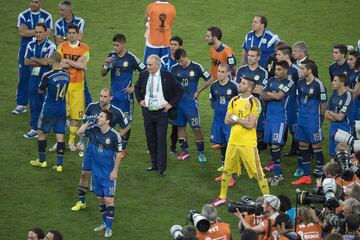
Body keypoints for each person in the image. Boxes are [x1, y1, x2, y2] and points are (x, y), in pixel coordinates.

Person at [211, 77, 269, 206]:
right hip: (233, 141)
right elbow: (226, 120)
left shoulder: (255, 103)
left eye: (242, 83)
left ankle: (267, 198)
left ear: (249, 88)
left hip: (248, 143)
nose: (239, 84)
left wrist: (235, 118)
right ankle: (222, 196)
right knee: (227, 169)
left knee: (258, 172)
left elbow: (250, 124)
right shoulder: (234, 100)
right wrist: (242, 119)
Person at [71, 88, 129, 211]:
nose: (102, 99)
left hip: (106, 151)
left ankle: (107, 202)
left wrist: (116, 137)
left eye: (105, 97)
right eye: (101, 96)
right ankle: (81, 201)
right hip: (91, 146)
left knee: (106, 176)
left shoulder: (116, 112)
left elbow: (127, 125)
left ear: (111, 98)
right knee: (84, 173)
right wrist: (81, 142)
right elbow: (84, 124)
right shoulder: (92, 107)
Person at [134, 54, 183, 176]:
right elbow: (136, 87)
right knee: (150, 139)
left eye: (150, 65)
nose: (147, 67)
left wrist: (171, 104)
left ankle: (162, 167)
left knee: (161, 140)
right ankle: (154, 164)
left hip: (162, 113)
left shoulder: (167, 76)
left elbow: (179, 90)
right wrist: (140, 100)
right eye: (147, 64)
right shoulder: (144, 74)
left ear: (158, 65)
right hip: (148, 112)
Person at [77, 109, 122, 238]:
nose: (98, 117)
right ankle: (104, 223)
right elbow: (79, 132)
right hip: (96, 173)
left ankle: (109, 228)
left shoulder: (114, 135)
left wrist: (115, 171)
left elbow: (119, 154)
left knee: (109, 200)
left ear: (107, 120)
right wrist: (88, 122)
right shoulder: (94, 130)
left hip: (108, 174)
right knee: (100, 199)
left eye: (101, 116)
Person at [100, 33, 145, 157]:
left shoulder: (131, 58)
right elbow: (103, 73)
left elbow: (145, 71)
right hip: (112, 97)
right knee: (109, 120)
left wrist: (134, 87)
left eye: (117, 45)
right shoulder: (111, 56)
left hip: (126, 98)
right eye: (114, 45)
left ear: (123, 44)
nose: (115, 47)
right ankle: (108, 143)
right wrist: (105, 64)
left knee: (126, 122)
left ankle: (123, 148)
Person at [29, 52, 69, 172]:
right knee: (60, 136)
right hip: (62, 109)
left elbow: (40, 90)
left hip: (49, 108)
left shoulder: (47, 74)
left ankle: (42, 161)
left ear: (52, 60)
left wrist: (47, 89)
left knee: (41, 132)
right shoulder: (67, 75)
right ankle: (59, 165)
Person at [171, 48, 212, 162]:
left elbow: (210, 79)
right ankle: (185, 151)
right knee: (180, 127)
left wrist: (198, 90)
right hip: (178, 103)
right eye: (178, 62)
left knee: (196, 128)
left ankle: (201, 152)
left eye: (181, 61)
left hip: (191, 104)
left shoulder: (196, 67)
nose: (179, 64)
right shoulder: (174, 69)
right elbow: (170, 84)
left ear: (185, 56)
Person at [13, 0, 53, 115]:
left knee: (41, 77)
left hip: (42, 50)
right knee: (24, 75)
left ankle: (42, 105)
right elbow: (22, 33)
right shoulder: (23, 15)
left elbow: (48, 33)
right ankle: (21, 104)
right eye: (31, 1)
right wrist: (39, 32)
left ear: (41, 2)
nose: (33, 4)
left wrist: (29, 31)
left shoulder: (47, 16)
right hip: (26, 49)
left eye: (36, 2)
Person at [292, 60, 327, 185]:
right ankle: (306, 176)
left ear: (309, 70)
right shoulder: (300, 82)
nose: (300, 71)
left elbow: (323, 103)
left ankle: (320, 168)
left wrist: (320, 118)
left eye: (302, 69)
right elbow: (298, 99)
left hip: (313, 119)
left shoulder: (318, 84)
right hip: (302, 118)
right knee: (302, 144)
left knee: (316, 144)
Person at [261, 60, 294, 186]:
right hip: (269, 117)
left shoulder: (289, 83)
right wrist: (272, 94)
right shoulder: (271, 81)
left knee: (275, 145)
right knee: (271, 146)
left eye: (279, 69)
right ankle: (277, 173)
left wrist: (271, 94)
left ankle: (278, 175)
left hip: (280, 118)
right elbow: (262, 95)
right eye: (276, 69)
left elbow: (279, 96)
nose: (276, 71)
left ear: (286, 70)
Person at [53, 0, 92, 108]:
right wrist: (76, 64)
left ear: (69, 10)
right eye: (59, 10)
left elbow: (79, 37)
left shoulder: (80, 21)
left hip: (76, 75)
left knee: (83, 88)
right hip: (65, 74)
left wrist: (67, 61)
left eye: (62, 10)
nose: (60, 12)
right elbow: (58, 40)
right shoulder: (58, 23)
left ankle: (89, 108)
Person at [57, 23, 89, 151]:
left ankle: (71, 141)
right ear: (66, 34)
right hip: (63, 84)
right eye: (69, 33)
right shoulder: (61, 46)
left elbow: (83, 66)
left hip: (77, 86)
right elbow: (58, 64)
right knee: (61, 114)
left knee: (76, 115)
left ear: (78, 34)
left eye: (73, 33)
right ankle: (59, 141)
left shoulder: (85, 48)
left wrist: (67, 62)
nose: (71, 35)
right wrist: (75, 63)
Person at [23, 23, 56, 139]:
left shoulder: (51, 45)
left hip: (46, 77)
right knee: (34, 103)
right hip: (34, 77)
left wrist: (34, 58)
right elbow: (26, 62)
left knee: (46, 103)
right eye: (36, 32)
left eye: (40, 32)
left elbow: (48, 62)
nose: (37, 34)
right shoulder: (30, 44)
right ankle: (34, 128)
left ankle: (46, 127)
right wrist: (41, 61)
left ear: (46, 33)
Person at [235, 47, 268, 153]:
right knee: (242, 128)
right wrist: (252, 88)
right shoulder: (241, 70)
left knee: (257, 131)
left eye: (253, 56)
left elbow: (261, 90)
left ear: (258, 57)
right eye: (248, 55)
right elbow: (237, 88)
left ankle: (254, 153)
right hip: (241, 105)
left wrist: (245, 88)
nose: (249, 58)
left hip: (256, 106)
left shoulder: (263, 72)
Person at [210, 64, 238, 185]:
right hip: (218, 119)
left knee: (231, 147)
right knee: (222, 145)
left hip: (230, 121)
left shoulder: (234, 86)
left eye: (222, 72)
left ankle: (233, 176)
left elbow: (239, 103)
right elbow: (212, 101)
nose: (219, 73)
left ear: (228, 73)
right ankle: (225, 173)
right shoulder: (213, 85)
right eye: (218, 71)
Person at [275, 45, 301, 157]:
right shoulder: (278, 68)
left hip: (292, 103)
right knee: (282, 124)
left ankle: (296, 149)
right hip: (281, 102)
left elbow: (300, 86)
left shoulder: (296, 70)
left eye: (278, 54)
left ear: (286, 55)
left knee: (293, 127)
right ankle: (280, 147)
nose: (276, 56)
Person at [160, 35, 183, 153]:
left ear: (180, 47)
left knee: (175, 122)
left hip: (176, 96)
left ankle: (173, 145)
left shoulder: (181, 61)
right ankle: (160, 144)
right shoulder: (163, 60)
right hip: (164, 94)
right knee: (161, 120)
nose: (173, 47)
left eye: (175, 45)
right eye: (171, 44)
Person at [324, 74, 353, 157]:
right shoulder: (334, 95)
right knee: (333, 155)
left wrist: (332, 114)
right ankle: (334, 170)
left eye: (335, 81)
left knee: (343, 156)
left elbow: (341, 118)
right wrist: (334, 116)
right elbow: (326, 114)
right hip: (333, 128)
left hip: (343, 129)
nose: (332, 82)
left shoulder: (347, 96)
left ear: (342, 83)